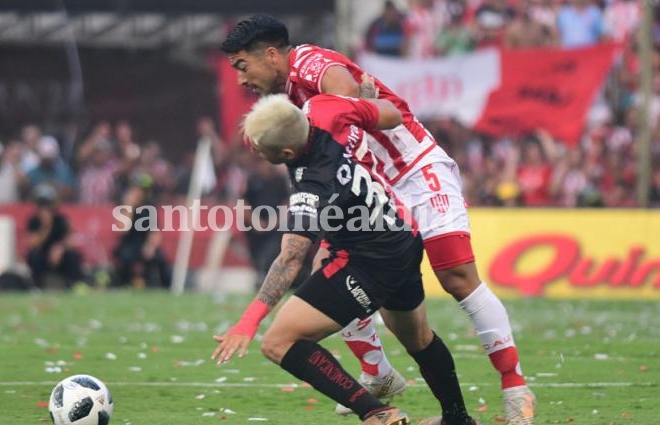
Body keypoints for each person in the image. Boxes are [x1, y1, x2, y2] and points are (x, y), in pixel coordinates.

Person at [221, 15, 535, 423]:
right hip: (375, 185)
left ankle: (514, 386)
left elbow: (351, 100)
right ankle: (378, 374)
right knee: (326, 264)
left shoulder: (310, 65)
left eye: (242, 67)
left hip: (415, 169)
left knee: (456, 276)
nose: (242, 80)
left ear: (270, 55)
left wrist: (352, 113)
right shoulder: (290, 102)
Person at [213, 93, 479, 425]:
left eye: (258, 146)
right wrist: (366, 101)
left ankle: (376, 412)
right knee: (419, 339)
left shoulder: (311, 184)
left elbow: (290, 258)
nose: (253, 149)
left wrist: (248, 322)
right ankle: (458, 420)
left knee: (279, 342)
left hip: (369, 261)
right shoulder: (326, 113)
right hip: (403, 239)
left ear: (285, 154)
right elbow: (391, 114)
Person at [112, 174, 172, 289]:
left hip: (144, 243)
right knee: (126, 257)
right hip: (129, 244)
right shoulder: (124, 207)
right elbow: (123, 230)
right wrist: (130, 207)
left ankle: (167, 288)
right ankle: (124, 284)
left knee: (160, 259)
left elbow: (155, 231)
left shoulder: (150, 208)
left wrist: (151, 246)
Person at [25, 184, 84, 289]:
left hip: (59, 253)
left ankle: (72, 285)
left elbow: (71, 240)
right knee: (33, 257)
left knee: (73, 256)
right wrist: (46, 227)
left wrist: (61, 247)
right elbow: (33, 243)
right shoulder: (34, 221)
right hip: (42, 254)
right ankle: (37, 286)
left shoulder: (61, 220)